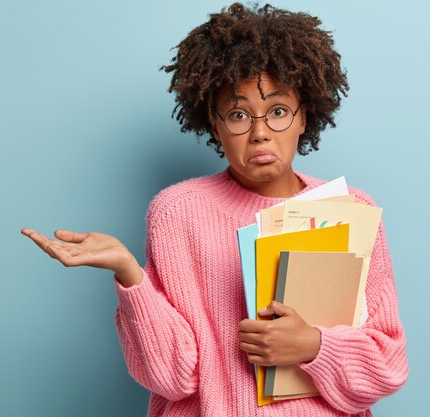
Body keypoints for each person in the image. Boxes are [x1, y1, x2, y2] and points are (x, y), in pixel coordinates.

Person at [21, 3, 408, 416]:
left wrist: (313, 345)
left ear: (304, 115)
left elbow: (386, 365)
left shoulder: (352, 210)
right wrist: (130, 275)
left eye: (277, 112)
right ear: (215, 123)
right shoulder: (177, 213)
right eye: (238, 115)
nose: (259, 133)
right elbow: (174, 377)